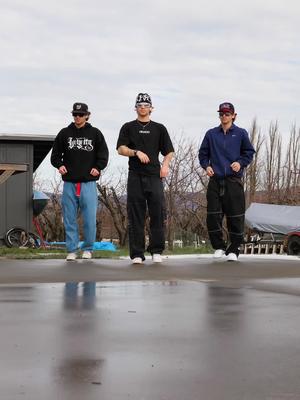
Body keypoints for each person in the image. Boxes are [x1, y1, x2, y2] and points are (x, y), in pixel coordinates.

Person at [116, 93, 174, 264]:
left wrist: (165, 165)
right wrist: (136, 152)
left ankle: (156, 251)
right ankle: (137, 254)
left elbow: (169, 151)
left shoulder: (159, 128)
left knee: (157, 212)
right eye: (139, 105)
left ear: (151, 108)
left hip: (154, 175)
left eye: (146, 105)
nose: (142, 107)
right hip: (135, 176)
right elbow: (120, 149)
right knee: (136, 215)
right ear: (135, 108)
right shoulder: (128, 127)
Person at [51, 102, 109, 261]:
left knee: (89, 219)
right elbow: (55, 155)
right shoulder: (64, 133)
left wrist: (98, 167)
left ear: (87, 115)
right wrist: (60, 165)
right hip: (69, 183)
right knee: (69, 218)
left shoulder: (95, 133)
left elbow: (103, 154)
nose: (77, 117)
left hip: (88, 183)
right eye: (75, 114)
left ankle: (88, 249)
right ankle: (71, 250)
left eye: (81, 114)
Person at [198, 102, 255, 262]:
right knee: (213, 215)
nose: (224, 116)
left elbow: (249, 152)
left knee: (235, 216)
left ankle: (234, 249)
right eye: (221, 114)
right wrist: (206, 166)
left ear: (233, 115)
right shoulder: (211, 134)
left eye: (227, 114)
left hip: (233, 180)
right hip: (215, 180)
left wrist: (240, 163)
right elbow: (202, 154)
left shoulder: (241, 133)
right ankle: (219, 246)